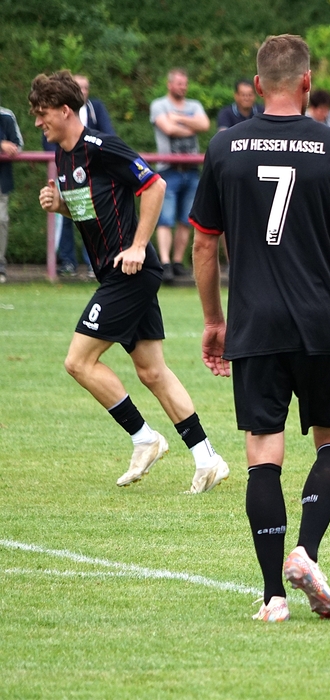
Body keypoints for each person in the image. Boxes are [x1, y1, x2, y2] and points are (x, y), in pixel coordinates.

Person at [189, 34, 330, 623]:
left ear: (256, 84)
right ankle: (307, 551)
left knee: (262, 456)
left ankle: (273, 596)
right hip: (321, 320)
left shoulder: (224, 146)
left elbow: (203, 244)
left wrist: (214, 320)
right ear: (306, 83)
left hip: (255, 322)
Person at [30, 70, 228, 494]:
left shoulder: (100, 146)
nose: (37, 122)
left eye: (42, 113)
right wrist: (59, 205)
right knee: (152, 371)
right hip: (118, 273)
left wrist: (138, 246)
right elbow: (92, 208)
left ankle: (144, 438)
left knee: (78, 362)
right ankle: (207, 458)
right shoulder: (64, 156)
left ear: (65, 110)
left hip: (129, 272)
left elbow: (154, 185)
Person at [44, 74, 114, 278]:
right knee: (65, 215)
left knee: (93, 214)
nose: (83, 91)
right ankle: (67, 261)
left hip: (91, 173)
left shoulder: (95, 108)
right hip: (66, 170)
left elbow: (108, 135)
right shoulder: (56, 113)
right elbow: (48, 141)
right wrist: (64, 158)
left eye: (86, 88)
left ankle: (94, 261)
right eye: (79, 87)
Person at [150, 68, 209, 283]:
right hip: (168, 170)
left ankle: (177, 262)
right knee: (165, 218)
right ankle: (164, 263)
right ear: (169, 84)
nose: (183, 87)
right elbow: (168, 129)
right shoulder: (159, 105)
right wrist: (190, 125)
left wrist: (177, 118)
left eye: (185, 83)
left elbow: (205, 125)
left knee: (186, 219)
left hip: (191, 170)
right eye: (179, 83)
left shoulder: (195, 105)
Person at [0, 93, 23, 285]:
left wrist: (11, 148)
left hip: (1, 182)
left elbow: (19, 145)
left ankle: (0, 264)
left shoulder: (6, 116)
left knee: (1, 221)